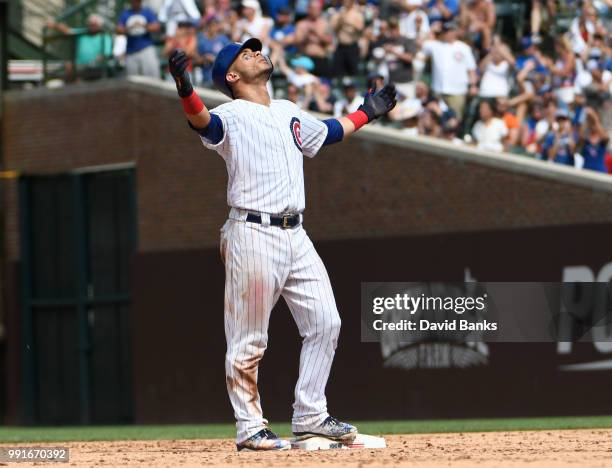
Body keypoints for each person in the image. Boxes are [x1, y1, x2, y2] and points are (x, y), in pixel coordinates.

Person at [167, 40, 396, 451]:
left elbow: (326, 133)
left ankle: (311, 415)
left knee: (327, 322)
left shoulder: (288, 110)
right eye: (245, 54)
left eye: (254, 49)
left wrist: (366, 113)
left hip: (296, 233)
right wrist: (186, 88)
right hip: (252, 232)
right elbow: (204, 123)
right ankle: (250, 427)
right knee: (249, 339)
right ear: (232, 77)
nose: (256, 52)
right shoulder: (230, 114)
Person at [421, 20, 477, 120]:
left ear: (455, 32)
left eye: (450, 31)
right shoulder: (435, 45)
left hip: (457, 91)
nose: (448, 33)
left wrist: (473, 85)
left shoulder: (464, 48)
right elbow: (420, 43)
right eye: (445, 31)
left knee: (455, 119)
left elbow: (471, 69)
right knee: (436, 119)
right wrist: (431, 30)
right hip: (438, 91)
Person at [46, 13, 113, 80]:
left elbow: (105, 54)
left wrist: (91, 63)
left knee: (74, 70)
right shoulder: (83, 32)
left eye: (94, 24)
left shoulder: (105, 37)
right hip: (79, 65)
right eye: (90, 24)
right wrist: (55, 25)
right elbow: (67, 31)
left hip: (95, 67)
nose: (92, 26)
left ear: (99, 25)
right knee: (65, 69)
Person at [117, 0, 161, 78]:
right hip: (131, 51)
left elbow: (156, 26)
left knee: (152, 78)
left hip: (146, 49)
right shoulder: (126, 13)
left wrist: (143, 25)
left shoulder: (147, 12)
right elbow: (118, 29)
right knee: (132, 80)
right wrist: (130, 27)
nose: (136, 3)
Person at [294, 0, 334, 78]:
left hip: (321, 58)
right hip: (306, 59)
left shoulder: (324, 23)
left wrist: (317, 34)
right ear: (308, 9)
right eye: (313, 8)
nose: (315, 11)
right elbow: (297, 41)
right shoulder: (301, 24)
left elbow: (330, 41)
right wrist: (306, 35)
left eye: (317, 9)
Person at [330, 0, 365, 79]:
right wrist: (340, 21)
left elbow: (361, 28)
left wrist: (349, 22)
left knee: (353, 72)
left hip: (352, 47)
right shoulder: (339, 13)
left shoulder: (357, 14)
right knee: (337, 72)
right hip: (340, 46)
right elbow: (333, 29)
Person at [195, 17, 231, 85]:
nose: (214, 28)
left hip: (220, 79)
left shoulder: (223, 40)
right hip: (205, 77)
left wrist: (214, 59)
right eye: (212, 25)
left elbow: (229, 59)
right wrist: (204, 58)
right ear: (208, 26)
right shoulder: (202, 40)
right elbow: (195, 60)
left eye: (216, 25)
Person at [579, 107, 610, 173]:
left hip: (599, 173)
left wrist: (594, 117)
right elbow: (581, 135)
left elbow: (605, 137)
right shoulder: (586, 140)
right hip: (586, 171)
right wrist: (586, 118)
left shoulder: (602, 141)